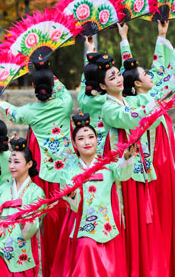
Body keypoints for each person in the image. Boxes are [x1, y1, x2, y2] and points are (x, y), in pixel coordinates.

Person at [97, 25, 175, 276]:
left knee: (154, 222)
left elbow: (154, 75)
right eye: (111, 78)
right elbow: (148, 93)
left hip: (149, 164)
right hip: (133, 169)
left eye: (117, 75)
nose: (117, 79)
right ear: (103, 86)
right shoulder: (119, 106)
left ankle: (156, 266)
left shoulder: (133, 98)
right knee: (139, 223)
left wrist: (159, 38)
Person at [0, 55, 77, 276]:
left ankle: (49, 268)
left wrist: (0, 103)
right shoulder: (65, 103)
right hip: (69, 172)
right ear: (52, 85)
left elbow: (14, 113)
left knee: (47, 223)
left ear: (33, 87)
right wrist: (44, 67)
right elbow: (58, 88)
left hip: (45, 173)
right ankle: (72, 267)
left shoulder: (30, 111)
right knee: (71, 220)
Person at [53, 112, 136, 277]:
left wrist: (127, 158)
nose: (87, 142)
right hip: (81, 222)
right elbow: (72, 204)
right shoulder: (69, 171)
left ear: (97, 140)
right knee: (86, 245)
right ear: (75, 145)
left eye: (91, 137)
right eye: (81, 139)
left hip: (106, 222)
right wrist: (72, 194)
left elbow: (123, 174)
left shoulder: (108, 165)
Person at [0, 136, 45, 277]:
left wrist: (24, 219)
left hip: (21, 242)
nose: (11, 166)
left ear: (29, 164)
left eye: (16, 162)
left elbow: (34, 223)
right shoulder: (1, 190)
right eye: (10, 161)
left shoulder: (37, 192)